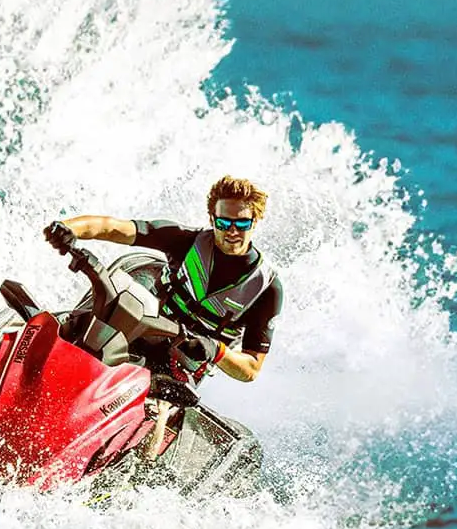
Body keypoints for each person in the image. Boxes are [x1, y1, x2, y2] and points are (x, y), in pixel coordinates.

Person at [44, 175, 283, 457]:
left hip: (179, 365)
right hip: (139, 329)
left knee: (153, 422)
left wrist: (215, 350)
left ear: (256, 221)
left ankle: (125, 474)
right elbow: (113, 227)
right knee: (72, 342)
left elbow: (251, 370)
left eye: (242, 223)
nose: (232, 230)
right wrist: (69, 229)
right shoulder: (185, 240)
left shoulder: (267, 289)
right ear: (212, 218)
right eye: (223, 222)